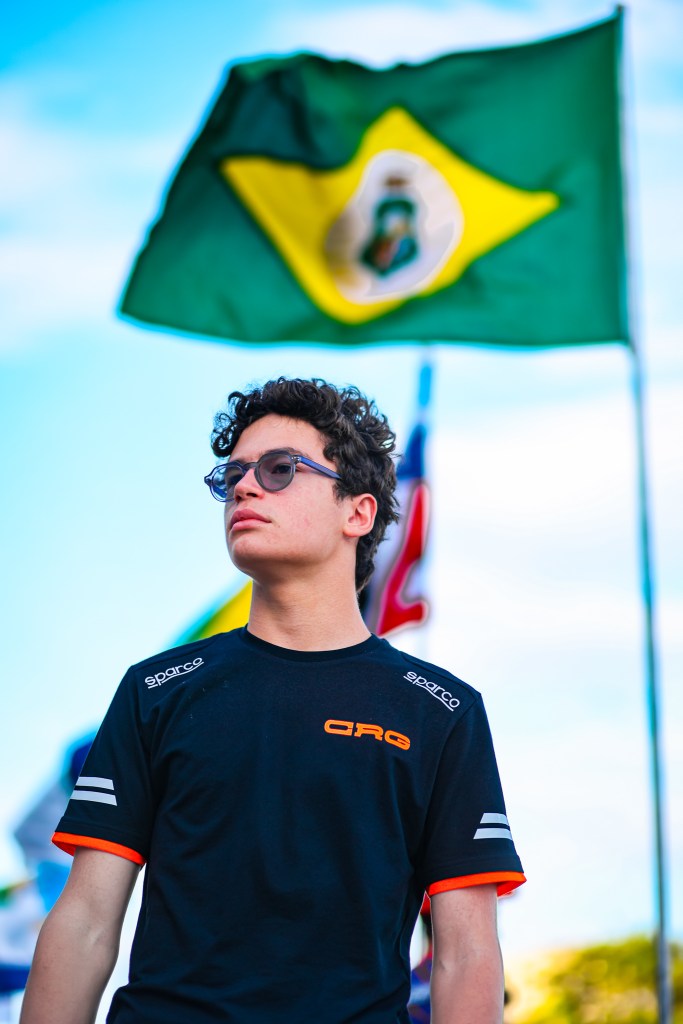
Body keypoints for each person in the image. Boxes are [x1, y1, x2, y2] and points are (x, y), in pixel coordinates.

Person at [20, 377, 525, 1024]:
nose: (243, 488)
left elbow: (466, 953)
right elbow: (86, 920)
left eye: (279, 469)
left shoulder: (442, 711)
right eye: (231, 475)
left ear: (357, 513)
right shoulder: (155, 689)